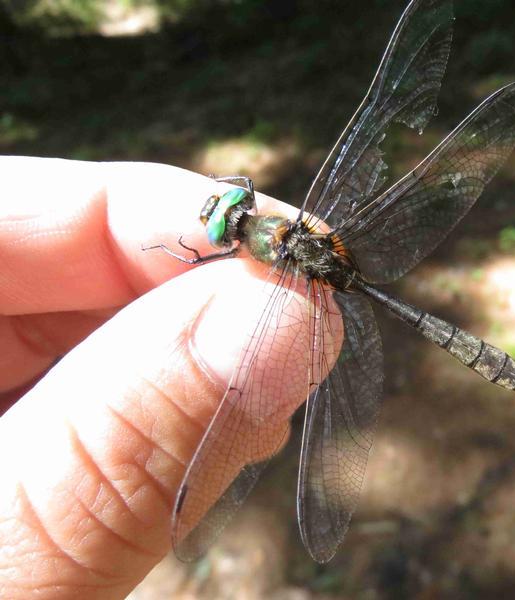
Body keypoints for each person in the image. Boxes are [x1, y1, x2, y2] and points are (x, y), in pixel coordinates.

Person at [0, 157, 319, 598]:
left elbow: (207, 242)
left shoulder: (234, 245)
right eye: (229, 217)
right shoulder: (278, 228)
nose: (235, 215)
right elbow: (242, 187)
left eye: (234, 210)